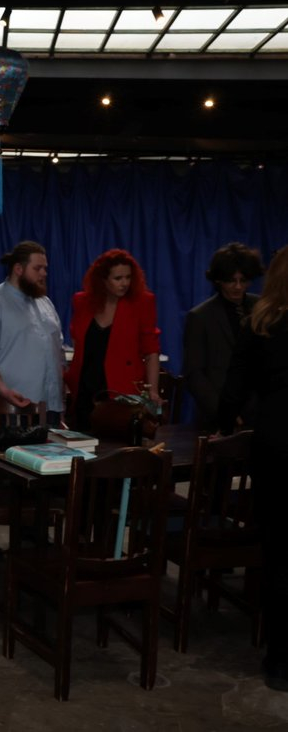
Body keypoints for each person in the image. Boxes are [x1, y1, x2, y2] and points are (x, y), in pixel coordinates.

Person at [218, 245, 288, 693]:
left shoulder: (261, 323)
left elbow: (233, 390)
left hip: (276, 442)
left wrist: (227, 426)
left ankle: (280, 662)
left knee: (278, 552)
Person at [65, 248, 162, 430]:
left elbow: (151, 351)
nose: (124, 283)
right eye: (118, 278)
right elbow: (77, 342)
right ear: (103, 280)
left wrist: (153, 391)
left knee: (118, 440)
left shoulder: (142, 302)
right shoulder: (82, 302)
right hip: (85, 387)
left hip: (122, 390)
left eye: (128, 277)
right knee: (84, 440)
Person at [0, 241, 65, 422]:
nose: (44, 273)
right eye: (38, 268)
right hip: (8, 407)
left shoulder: (45, 303)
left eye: (45, 268)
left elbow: (57, 351)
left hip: (49, 405)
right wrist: (5, 391)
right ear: (18, 269)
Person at [184, 242, 264, 432]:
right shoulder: (200, 316)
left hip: (259, 412)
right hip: (217, 416)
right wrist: (224, 412)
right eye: (231, 280)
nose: (238, 286)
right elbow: (194, 374)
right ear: (218, 280)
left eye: (243, 280)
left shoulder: (262, 308)